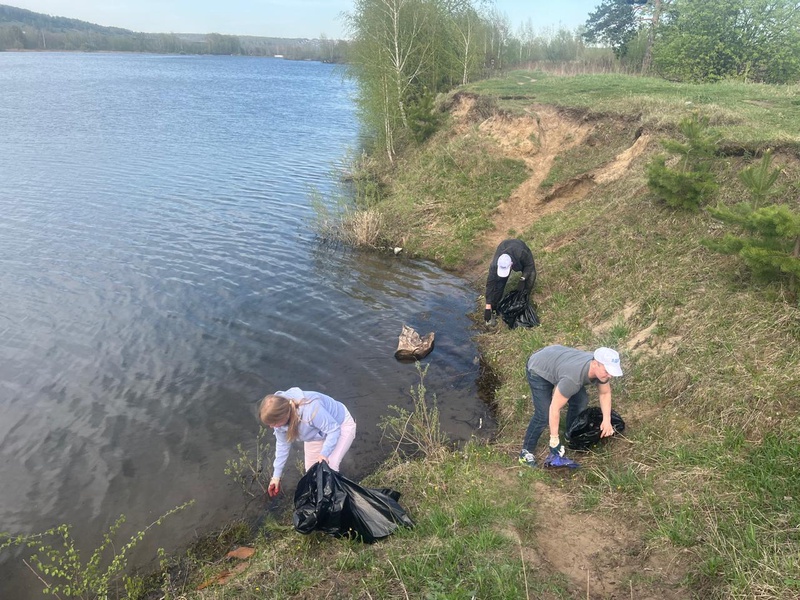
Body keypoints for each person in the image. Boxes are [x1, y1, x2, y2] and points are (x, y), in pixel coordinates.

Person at [518, 345, 623, 469]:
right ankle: (526, 452)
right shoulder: (572, 379)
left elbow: (605, 393)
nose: (609, 376)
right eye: (607, 371)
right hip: (539, 367)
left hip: (559, 361)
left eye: (611, 372)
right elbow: (554, 408)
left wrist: (606, 420)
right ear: (595, 364)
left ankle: (569, 434)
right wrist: (554, 439)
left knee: (581, 400)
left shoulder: (601, 372)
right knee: (543, 415)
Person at [259, 387, 357, 498]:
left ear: (284, 416)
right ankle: (321, 501)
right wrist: (276, 477)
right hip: (316, 434)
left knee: (330, 468)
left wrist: (324, 453)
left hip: (340, 425)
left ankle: (337, 501)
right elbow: (282, 445)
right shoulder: (280, 422)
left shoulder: (311, 409)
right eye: (269, 424)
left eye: (273, 423)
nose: (271, 427)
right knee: (312, 472)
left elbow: (334, 430)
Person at [484, 238, 536, 325]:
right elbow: (490, 284)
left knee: (530, 277)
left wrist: (523, 279)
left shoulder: (522, 253)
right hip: (504, 246)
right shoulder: (495, 264)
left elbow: (529, 266)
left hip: (519, 250)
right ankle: (495, 308)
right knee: (499, 284)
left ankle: (524, 303)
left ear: (511, 265)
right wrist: (488, 306)